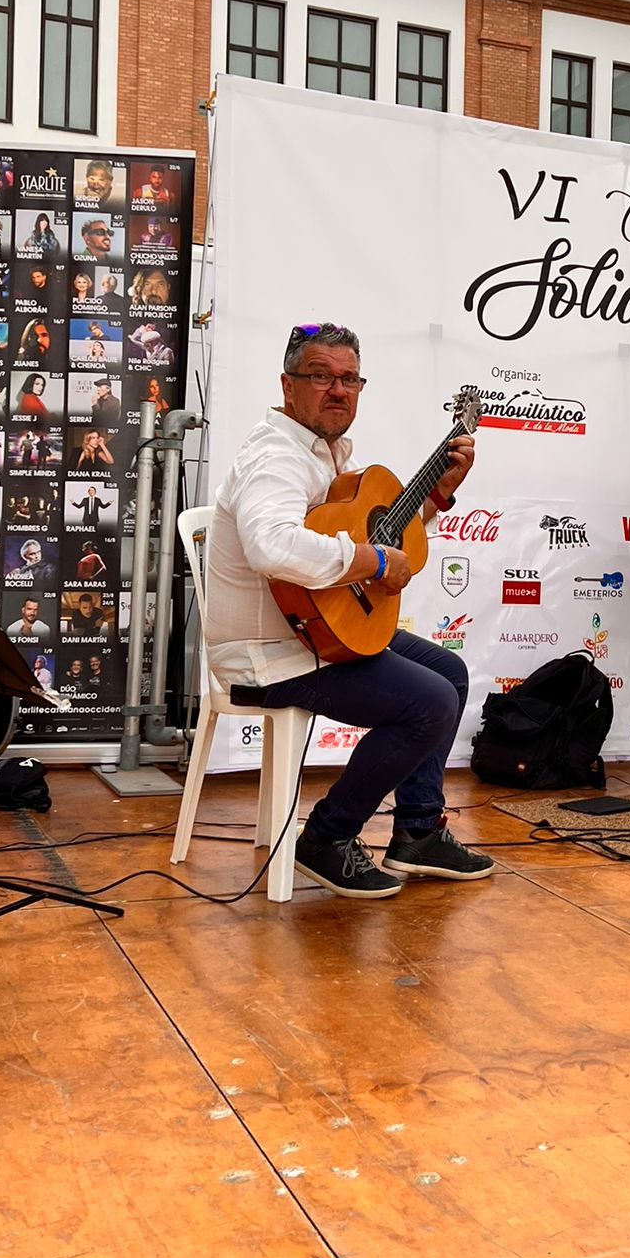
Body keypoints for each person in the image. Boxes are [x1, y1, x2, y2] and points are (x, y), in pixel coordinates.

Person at [205, 321, 491, 899]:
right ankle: (327, 836)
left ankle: (416, 831)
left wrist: (436, 496)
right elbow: (272, 545)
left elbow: (371, 536)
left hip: (312, 634)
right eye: (320, 376)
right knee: (429, 702)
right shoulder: (277, 458)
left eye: (348, 379)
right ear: (288, 386)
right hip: (269, 655)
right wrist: (374, 564)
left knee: (450, 672)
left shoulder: (327, 456)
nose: (337, 389)